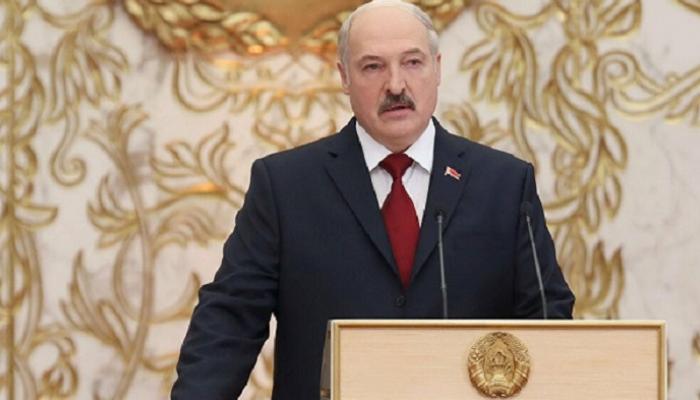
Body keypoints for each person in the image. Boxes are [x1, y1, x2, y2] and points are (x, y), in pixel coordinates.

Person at [171, 1, 575, 399]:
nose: (396, 85)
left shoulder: (504, 183)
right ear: (344, 77)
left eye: (412, 63)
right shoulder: (286, 186)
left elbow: (546, 321)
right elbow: (231, 319)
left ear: (437, 68)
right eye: (373, 67)